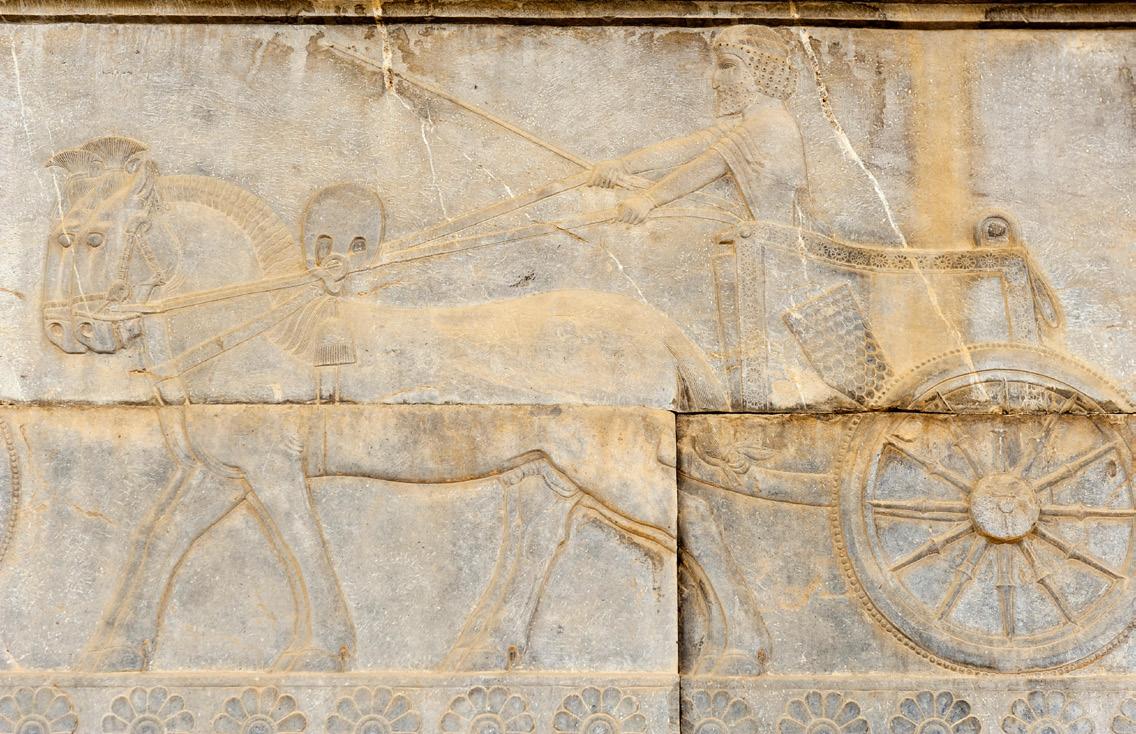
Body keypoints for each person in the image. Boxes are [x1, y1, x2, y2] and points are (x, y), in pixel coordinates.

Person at [591, 25, 806, 227]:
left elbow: (708, 165)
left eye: (727, 66)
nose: (715, 81)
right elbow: (690, 146)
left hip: (776, 245)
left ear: (762, 71)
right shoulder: (745, 123)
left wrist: (648, 200)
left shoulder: (770, 124)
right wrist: (622, 165)